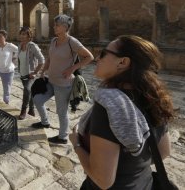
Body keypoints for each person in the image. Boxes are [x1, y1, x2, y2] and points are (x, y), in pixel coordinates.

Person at [69, 35, 175, 189]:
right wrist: (132, 166)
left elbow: (103, 180)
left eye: (104, 53)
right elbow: (164, 151)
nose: (97, 58)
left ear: (123, 62)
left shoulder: (109, 102)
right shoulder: (155, 97)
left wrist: (76, 143)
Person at [33, 14, 94, 144]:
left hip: (64, 84)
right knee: (37, 100)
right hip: (51, 80)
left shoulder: (72, 42)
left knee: (61, 111)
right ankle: (45, 122)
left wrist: (72, 68)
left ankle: (62, 137)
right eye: (54, 24)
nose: (54, 27)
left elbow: (89, 57)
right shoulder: (54, 41)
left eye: (57, 25)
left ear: (65, 27)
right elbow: (50, 58)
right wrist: (44, 70)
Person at [17, 26, 45, 120]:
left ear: (29, 36)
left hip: (31, 74)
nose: (22, 36)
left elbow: (42, 60)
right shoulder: (20, 45)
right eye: (21, 34)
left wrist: (35, 72)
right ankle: (32, 110)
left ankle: (23, 110)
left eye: (24, 34)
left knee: (27, 90)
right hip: (22, 74)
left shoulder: (32, 46)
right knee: (30, 91)